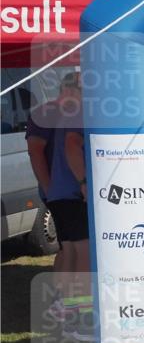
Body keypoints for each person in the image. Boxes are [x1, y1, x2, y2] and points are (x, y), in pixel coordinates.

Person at [26, 73, 89, 327]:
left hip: (63, 191)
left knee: (69, 248)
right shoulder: (57, 113)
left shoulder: (64, 113)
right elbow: (37, 151)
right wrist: (53, 187)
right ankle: (77, 307)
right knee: (81, 249)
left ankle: (64, 303)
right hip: (69, 191)